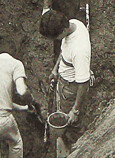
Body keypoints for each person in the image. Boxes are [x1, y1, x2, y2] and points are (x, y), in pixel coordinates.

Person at [39, 10, 91, 144]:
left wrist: (75, 110)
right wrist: (55, 70)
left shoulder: (79, 50)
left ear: (62, 31)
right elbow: (64, 52)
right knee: (62, 111)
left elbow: (84, 82)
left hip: (71, 89)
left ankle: (73, 146)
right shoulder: (74, 24)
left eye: (54, 37)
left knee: (71, 122)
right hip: (64, 83)